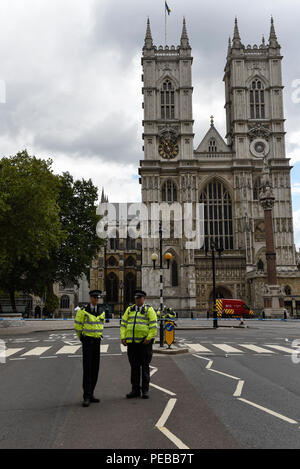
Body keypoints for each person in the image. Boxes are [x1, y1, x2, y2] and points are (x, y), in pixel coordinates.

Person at [120, 290, 157, 399]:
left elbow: (153, 326)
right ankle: (135, 390)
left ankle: (145, 390)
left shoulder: (149, 310)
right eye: (136, 298)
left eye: (139, 298)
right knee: (134, 367)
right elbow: (123, 324)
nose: (137, 300)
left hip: (144, 344)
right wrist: (123, 337)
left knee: (145, 367)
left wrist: (149, 338)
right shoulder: (129, 310)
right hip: (132, 344)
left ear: (144, 299)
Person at [74, 290, 105, 407]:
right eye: (95, 298)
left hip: (97, 342)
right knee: (87, 369)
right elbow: (77, 326)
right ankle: (86, 396)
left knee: (95, 369)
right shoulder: (83, 311)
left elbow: (101, 326)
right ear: (90, 298)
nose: (97, 299)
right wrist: (82, 338)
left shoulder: (101, 311)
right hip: (87, 341)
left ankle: (91, 394)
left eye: (98, 298)